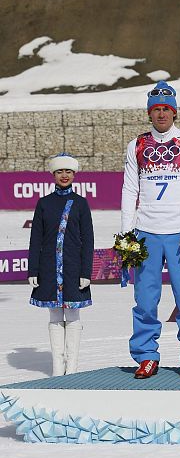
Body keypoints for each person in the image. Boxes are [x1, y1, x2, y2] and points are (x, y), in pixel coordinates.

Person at [121, 80, 180, 379]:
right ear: (149, 113)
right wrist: (127, 234)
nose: (161, 114)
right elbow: (129, 190)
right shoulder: (137, 145)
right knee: (145, 300)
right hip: (145, 233)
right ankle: (146, 355)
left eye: (166, 109)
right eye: (156, 109)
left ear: (174, 112)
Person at [27, 153, 94, 376]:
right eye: (59, 171)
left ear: (74, 174)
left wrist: (86, 272)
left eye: (68, 171)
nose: (64, 175)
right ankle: (58, 367)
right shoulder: (44, 203)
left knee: (73, 316)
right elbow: (36, 238)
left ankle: (72, 368)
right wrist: (33, 269)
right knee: (55, 316)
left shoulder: (81, 203)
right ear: (53, 175)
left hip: (74, 269)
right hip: (48, 268)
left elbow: (88, 239)